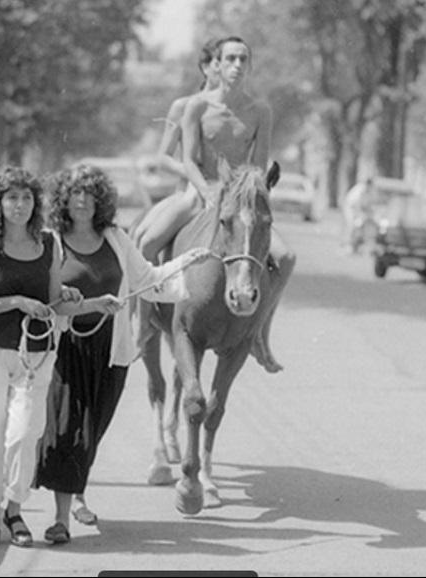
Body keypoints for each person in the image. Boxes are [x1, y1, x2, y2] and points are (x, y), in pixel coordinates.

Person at [32, 163, 211, 544]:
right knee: (68, 431)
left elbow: (147, 280)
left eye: (90, 193)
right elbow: (41, 294)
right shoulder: (52, 241)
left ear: (100, 200)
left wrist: (185, 261)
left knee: (91, 431)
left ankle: (77, 495)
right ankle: (61, 519)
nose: (82, 200)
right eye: (75, 193)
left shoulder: (115, 238)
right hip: (66, 350)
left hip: (111, 352)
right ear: (64, 198)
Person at [0, 165, 119, 549]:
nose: (20, 205)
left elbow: (52, 305)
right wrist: (16, 302)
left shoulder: (48, 244)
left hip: (37, 354)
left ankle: (16, 509)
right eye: (12, 198)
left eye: (27, 198)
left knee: (25, 432)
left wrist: (92, 303)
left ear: (36, 203)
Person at [180, 35, 296, 373]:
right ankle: (142, 319)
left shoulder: (260, 111)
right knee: (150, 236)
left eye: (243, 59)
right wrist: (206, 191)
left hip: (238, 199)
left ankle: (260, 331)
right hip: (201, 192)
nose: (237, 66)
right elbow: (188, 159)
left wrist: (244, 198)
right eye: (230, 59)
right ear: (216, 64)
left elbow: (257, 168)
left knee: (285, 256)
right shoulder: (198, 107)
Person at [133, 38, 221, 263]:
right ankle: (146, 296)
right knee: (146, 242)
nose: (227, 69)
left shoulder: (239, 111)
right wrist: (195, 173)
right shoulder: (183, 107)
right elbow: (163, 158)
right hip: (191, 192)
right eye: (219, 62)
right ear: (205, 67)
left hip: (228, 191)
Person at [342, 177, 376, 254]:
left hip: (354, 208)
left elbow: (367, 204)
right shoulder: (362, 189)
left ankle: (356, 246)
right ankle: (346, 244)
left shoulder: (366, 189)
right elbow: (358, 204)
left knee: (359, 226)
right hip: (349, 207)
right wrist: (360, 214)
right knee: (351, 225)